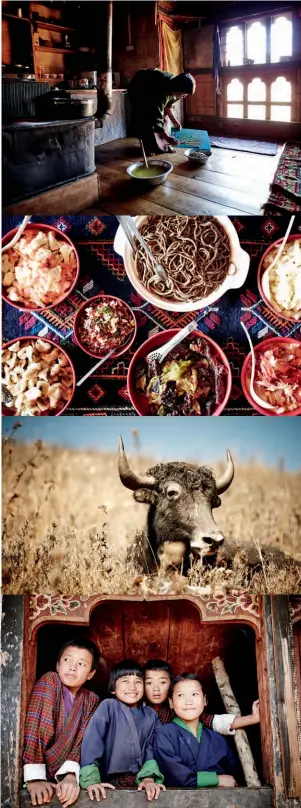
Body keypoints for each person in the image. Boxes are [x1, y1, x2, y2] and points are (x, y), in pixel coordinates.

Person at [23, 638, 100, 807]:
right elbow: (36, 726)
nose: (72, 667)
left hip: (65, 771)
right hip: (40, 765)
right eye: (67, 660)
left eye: (81, 664)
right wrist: (34, 778)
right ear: (58, 665)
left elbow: (83, 739)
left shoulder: (90, 699)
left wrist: (71, 775)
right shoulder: (50, 681)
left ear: (91, 674)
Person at [80, 659, 166, 802]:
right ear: (113, 688)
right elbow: (93, 742)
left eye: (138, 682)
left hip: (141, 781)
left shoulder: (150, 715)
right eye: (125, 681)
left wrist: (148, 777)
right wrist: (91, 780)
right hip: (109, 781)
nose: (132, 686)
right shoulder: (108, 707)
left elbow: (153, 748)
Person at [154, 673, 242, 789]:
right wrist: (216, 779)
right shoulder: (164, 734)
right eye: (181, 695)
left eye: (194, 694)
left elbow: (234, 778)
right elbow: (174, 776)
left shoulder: (217, 739)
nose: (188, 701)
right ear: (171, 702)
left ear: (205, 700)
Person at [144, 659, 260, 735]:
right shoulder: (137, 711)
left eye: (163, 682)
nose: (156, 688)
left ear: (171, 684)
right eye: (149, 683)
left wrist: (252, 718)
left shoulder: (178, 710)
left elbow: (217, 721)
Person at [128, 69, 196, 153]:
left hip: (152, 91)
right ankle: (148, 145)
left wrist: (175, 121)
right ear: (179, 89)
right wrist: (167, 137)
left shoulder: (175, 89)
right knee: (146, 116)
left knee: (163, 119)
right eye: (184, 94)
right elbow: (156, 116)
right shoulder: (161, 91)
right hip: (139, 86)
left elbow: (168, 106)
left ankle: (161, 143)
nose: (184, 96)